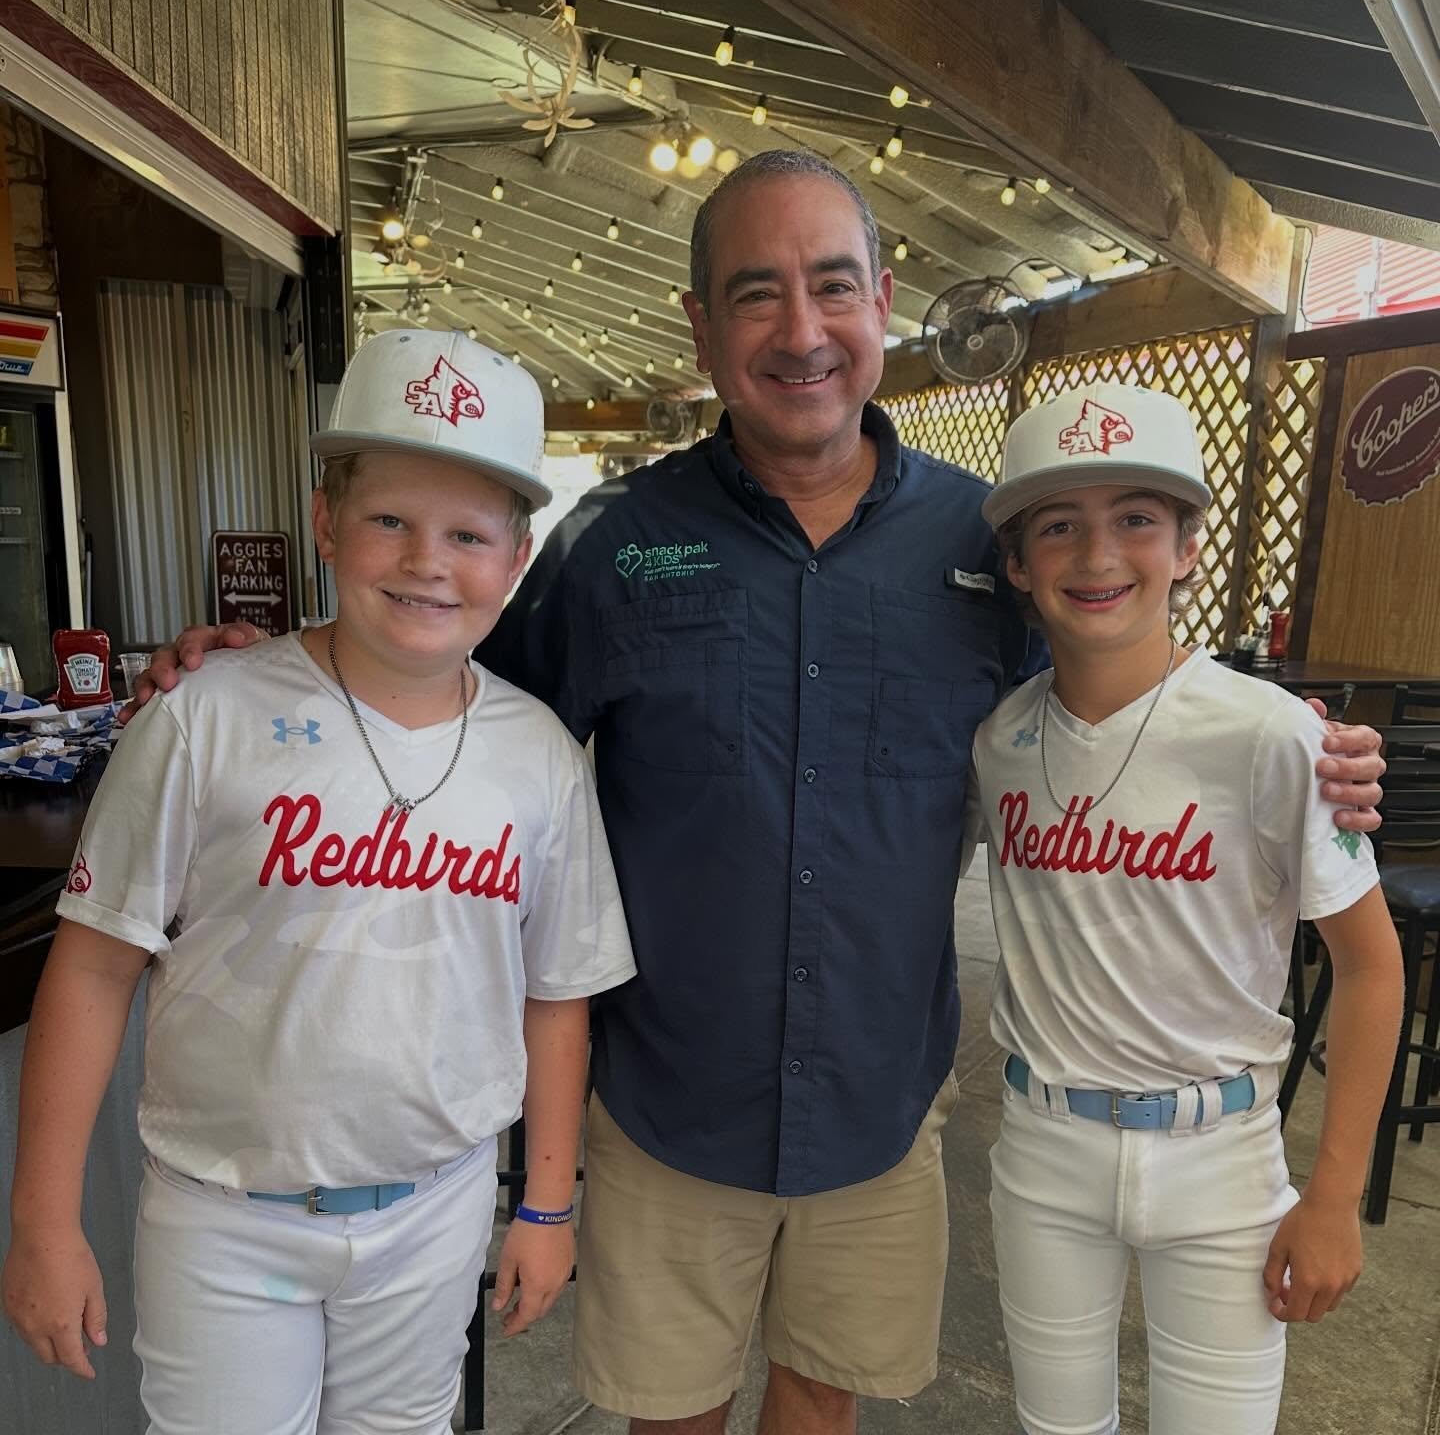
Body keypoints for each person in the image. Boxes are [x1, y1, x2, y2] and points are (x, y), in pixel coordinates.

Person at [129, 152, 1386, 1435]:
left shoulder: (986, 544)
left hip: (877, 1113)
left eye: (833, 287)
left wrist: (1292, 737)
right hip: (667, 1104)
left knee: (816, 1407)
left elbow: (1116, 674)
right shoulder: (610, 544)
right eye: (755, 294)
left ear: (884, 299)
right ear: (701, 325)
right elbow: (437, 698)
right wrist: (267, 669)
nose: (802, 332)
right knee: (668, 1416)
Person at [2, 329, 636, 1434]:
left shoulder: (537, 754)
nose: (426, 560)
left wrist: (545, 1202)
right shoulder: (205, 718)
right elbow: (96, 969)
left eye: (468, 533)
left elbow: (556, 993)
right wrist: (44, 1223)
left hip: (432, 1208)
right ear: (326, 522)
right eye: (388, 518)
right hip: (224, 1214)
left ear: (518, 557)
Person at [967, 381, 1402, 1435]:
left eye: (1137, 520)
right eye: (1058, 526)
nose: (1099, 555)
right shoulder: (998, 740)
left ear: (1190, 545)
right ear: (1018, 565)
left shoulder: (1274, 736)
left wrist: (1333, 1196)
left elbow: (1372, 965)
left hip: (1222, 1154)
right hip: (1047, 1142)